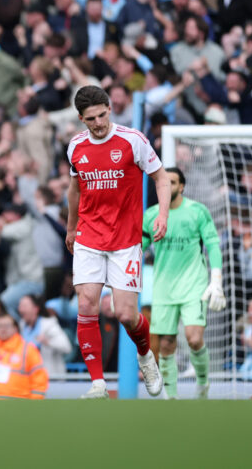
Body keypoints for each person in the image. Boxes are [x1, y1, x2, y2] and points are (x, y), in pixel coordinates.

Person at [66, 85, 170, 399]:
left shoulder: (132, 140)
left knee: (125, 314)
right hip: (89, 235)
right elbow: (75, 190)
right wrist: (71, 227)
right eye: (91, 118)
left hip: (125, 239)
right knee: (86, 304)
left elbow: (161, 177)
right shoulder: (75, 147)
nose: (98, 122)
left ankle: (145, 356)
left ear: (109, 109)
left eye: (102, 114)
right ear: (81, 118)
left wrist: (162, 214)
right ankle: (98, 383)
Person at [142, 167, 225, 399]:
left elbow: (212, 244)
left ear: (182, 186)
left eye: (173, 182)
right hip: (163, 289)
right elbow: (137, 247)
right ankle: (171, 399)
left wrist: (216, 279)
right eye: (165, 182)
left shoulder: (197, 211)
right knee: (166, 344)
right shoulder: (151, 215)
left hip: (193, 286)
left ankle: (202, 383)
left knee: (194, 338)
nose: (169, 185)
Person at [17, 294, 72, 377]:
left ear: (36, 309)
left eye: (24, 306)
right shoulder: (20, 326)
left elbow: (67, 347)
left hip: (50, 378)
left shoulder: (49, 325)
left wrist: (48, 342)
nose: (21, 309)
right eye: (20, 306)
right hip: (26, 377)